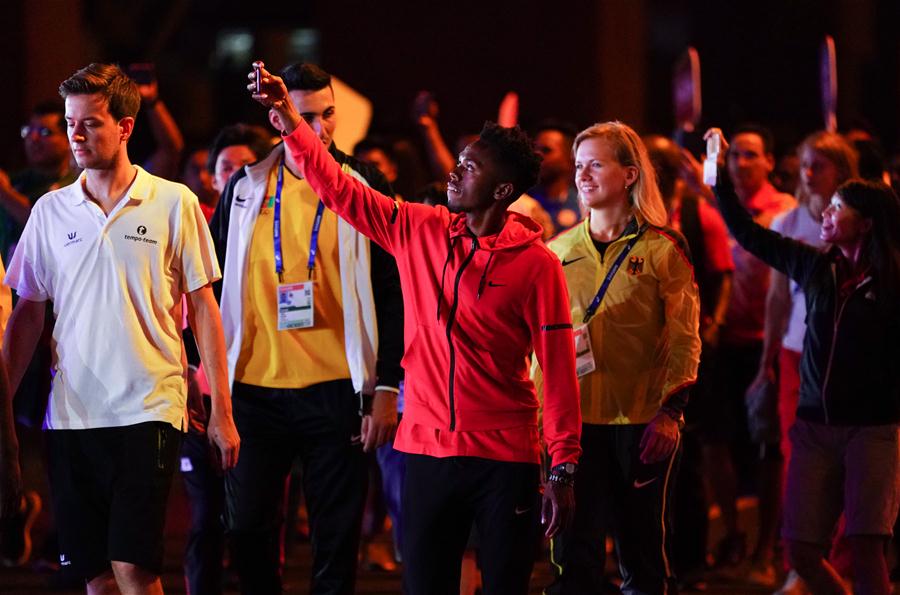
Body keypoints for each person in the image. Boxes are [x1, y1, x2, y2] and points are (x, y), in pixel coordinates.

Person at [250, 63, 581, 595]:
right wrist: (289, 118)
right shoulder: (420, 228)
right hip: (425, 452)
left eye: (469, 168)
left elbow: (560, 370)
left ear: (501, 190)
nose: (453, 172)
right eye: (458, 161)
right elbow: (339, 189)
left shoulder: (537, 264)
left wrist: (563, 467)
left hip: (505, 457)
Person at [0, 63, 240, 595]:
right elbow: (28, 314)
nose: (75, 135)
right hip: (70, 415)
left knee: (135, 569)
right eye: (70, 123)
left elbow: (203, 308)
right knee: (98, 578)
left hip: (148, 407)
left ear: (127, 127)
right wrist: (2, 412)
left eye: (90, 123)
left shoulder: (173, 202)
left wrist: (221, 409)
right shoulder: (49, 210)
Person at [213, 62, 404, 595]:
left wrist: (386, 386)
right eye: (302, 114)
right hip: (253, 388)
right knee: (247, 530)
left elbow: (393, 290)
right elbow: (211, 286)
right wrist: (205, 376)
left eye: (325, 114)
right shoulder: (245, 185)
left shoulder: (366, 184)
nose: (316, 127)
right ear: (278, 116)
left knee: (334, 540)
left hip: (337, 391)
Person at [708, 125, 900, 595]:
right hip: (814, 427)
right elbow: (747, 234)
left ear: (867, 221)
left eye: (839, 207)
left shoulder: (893, 284)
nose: (827, 212)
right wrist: (716, 174)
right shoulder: (816, 266)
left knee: (866, 545)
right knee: (800, 550)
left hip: (872, 430)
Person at [536, 123, 700, 595]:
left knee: (643, 559)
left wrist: (671, 413)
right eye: (579, 164)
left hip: (641, 423)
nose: (583, 175)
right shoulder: (556, 250)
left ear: (630, 175)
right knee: (572, 560)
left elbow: (687, 338)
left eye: (597, 164)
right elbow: (541, 348)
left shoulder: (664, 248)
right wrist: (539, 417)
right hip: (573, 427)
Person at [684, 125, 795, 581]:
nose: (741, 163)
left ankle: (767, 546)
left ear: (770, 161)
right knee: (716, 441)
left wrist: (711, 197)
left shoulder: (783, 211)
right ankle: (732, 533)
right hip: (720, 342)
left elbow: (756, 245)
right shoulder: (713, 207)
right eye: (735, 157)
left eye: (751, 155)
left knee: (769, 447)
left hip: (767, 343)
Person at [644, 133, 734, 588]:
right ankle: (648, 558)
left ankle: (690, 561)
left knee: (688, 454)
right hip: (646, 359)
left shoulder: (700, 218)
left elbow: (723, 277)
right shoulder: (637, 219)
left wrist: (711, 328)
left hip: (690, 352)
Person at [529, 121, 583, 234]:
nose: (537, 155)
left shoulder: (582, 207)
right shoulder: (521, 202)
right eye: (535, 149)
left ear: (570, 159)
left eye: (546, 150)